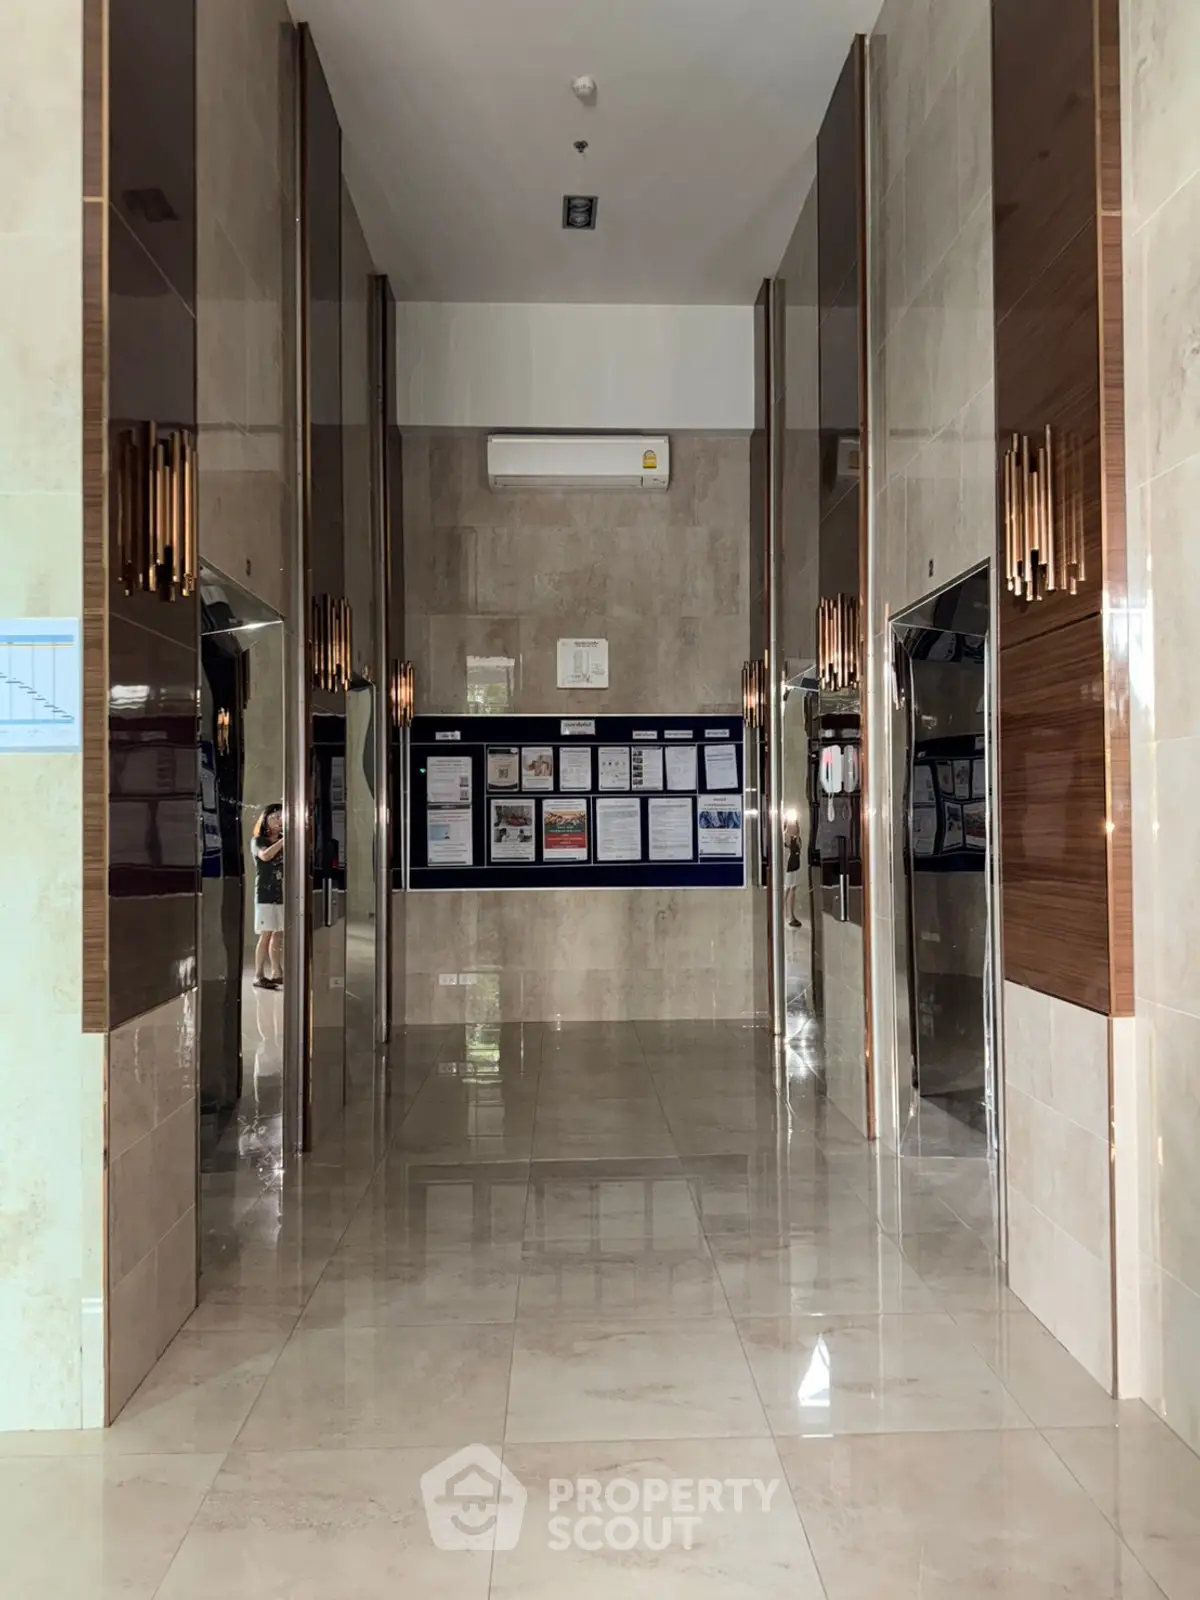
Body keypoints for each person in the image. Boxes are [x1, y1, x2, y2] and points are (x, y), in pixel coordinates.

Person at [251, 804, 285, 990]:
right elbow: (265, 856)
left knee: (278, 933)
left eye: (282, 817)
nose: (279, 821)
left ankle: (277, 972)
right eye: (276, 817)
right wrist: (284, 841)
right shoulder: (258, 841)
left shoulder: (282, 840)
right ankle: (258, 975)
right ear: (265, 820)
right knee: (266, 934)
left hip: (280, 893)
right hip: (264, 894)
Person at [784, 816, 803, 928]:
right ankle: (784, 914)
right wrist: (787, 829)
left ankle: (791, 915)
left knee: (791, 889)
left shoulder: (797, 838)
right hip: (790, 865)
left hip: (796, 864)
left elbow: (799, 848)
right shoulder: (787, 836)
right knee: (787, 889)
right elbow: (787, 843)